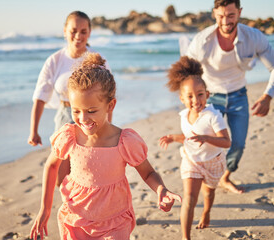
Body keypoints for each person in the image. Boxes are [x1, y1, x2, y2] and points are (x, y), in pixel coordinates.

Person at [30, 53, 182, 240]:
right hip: (76, 217)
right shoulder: (69, 136)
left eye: (91, 111)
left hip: (114, 221)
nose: (83, 119)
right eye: (76, 111)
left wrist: (161, 189)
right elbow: (52, 165)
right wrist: (45, 209)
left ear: (111, 106)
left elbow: (148, 173)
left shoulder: (124, 140)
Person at [186, 0, 274, 194]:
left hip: (239, 96)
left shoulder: (254, 37)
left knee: (238, 144)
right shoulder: (202, 41)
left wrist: (268, 96)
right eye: (220, 16)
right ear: (214, 14)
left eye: (231, 15)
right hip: (210, 98)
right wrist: (190, 101)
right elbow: (186, 73)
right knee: (205, 142)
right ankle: (204, 176)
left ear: (240, 12)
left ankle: (225, 177)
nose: (225, 21)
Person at [28, 11, 110, 186]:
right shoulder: (54, 61)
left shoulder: (97, 60)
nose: (78, 36)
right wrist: (33, 131)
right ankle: (69, 207)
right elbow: (40, 97)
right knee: (61, 173)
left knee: (89, 170)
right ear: (65, 31)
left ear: (89, 32)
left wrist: (107, 128)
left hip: (93, 118)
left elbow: (108, 97)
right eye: (73, 31)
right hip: (65, 116)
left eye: (83, 31)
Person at [159, 56, 231, 239]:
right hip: (192, 161)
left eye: (200, 94)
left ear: (207, 94)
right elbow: (189, 137)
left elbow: (226, 142)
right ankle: (186, 237)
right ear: (182, 98)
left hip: (213, 161)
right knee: (189, 198)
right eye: (190, 96)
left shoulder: (213, 116)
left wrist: (206, 137)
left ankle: (206, 212)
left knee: (208, 193)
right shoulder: (184, 115)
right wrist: (173, 138)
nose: (195, 100)